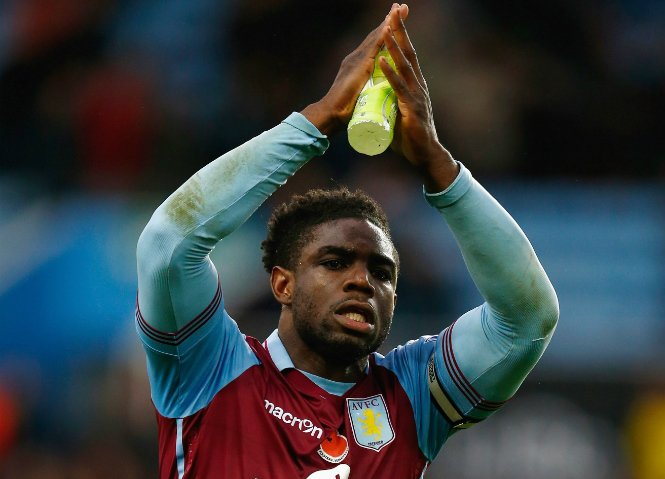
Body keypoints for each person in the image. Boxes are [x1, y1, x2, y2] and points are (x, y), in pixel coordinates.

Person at [135, 4, 559, 478]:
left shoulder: (412, 396)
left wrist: (439, 168)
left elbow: (527, 321)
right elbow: (168, 244)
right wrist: (317, 122)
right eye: (334, 262)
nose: (362, 281)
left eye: (382, 272)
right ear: (282, 284)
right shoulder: (208, 369)